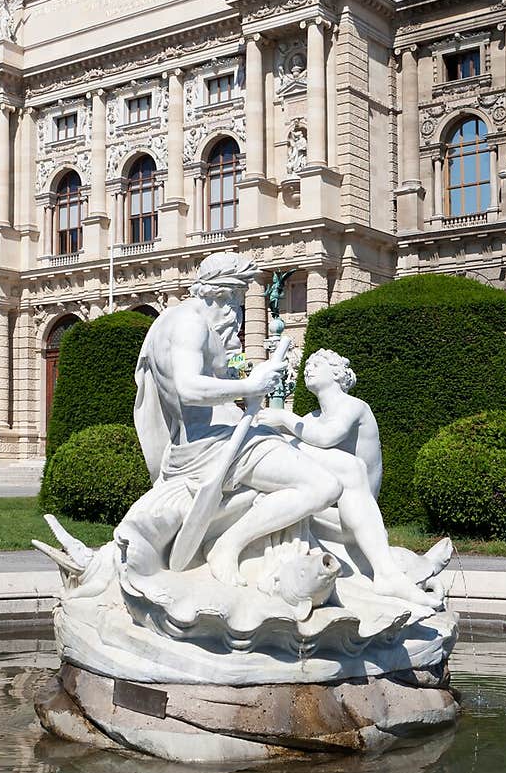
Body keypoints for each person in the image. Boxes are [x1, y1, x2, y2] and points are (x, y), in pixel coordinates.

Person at [125, 253, 436, 606]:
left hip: (235, 436)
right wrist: (250, 387)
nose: (238, 313)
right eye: (239, 298)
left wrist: (246, 384)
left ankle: (387, 575)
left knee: (351, 469)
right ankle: (229, 545)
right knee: (323, 485)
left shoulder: (179, 320)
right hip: (213, 447)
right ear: (223, 293)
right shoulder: (190, 323)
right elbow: (188, 388)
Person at [257, 349, 451, 588]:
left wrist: (284, 418)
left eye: (317, 364)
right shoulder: (312, 417)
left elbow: (327, 436)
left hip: (356, 509)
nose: (309, 368)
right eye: (307, 365)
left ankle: (412, 569)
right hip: (327, 504)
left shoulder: (354, 406)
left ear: (337, 373)